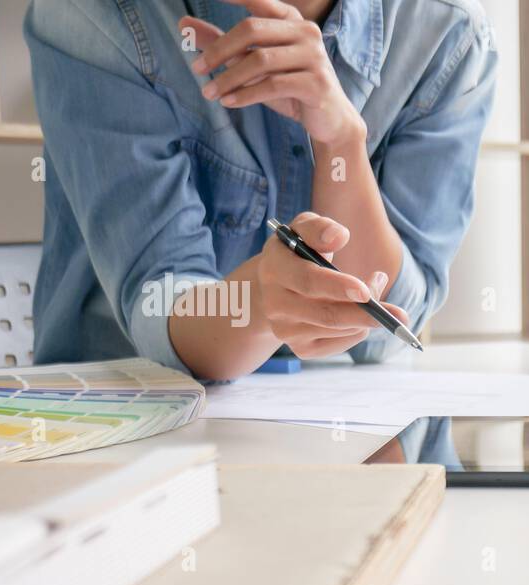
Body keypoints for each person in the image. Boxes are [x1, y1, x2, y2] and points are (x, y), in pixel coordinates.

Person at [26, 0, 495, 380]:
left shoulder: (448, 32)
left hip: (334, 416)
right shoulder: (95, 13)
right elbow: (159, 302)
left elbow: (386, 329)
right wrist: (260, 303)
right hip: (124, 417)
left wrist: (341, 142)